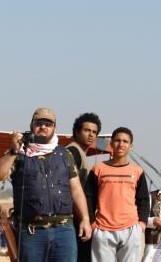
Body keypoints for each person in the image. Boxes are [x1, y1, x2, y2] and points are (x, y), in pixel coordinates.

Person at [0, 107, 92, 262]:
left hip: (63, 230)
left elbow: (77, 190)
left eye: (48, 124)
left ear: (54, 128)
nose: (43, 127)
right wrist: (13, 150)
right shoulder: (19, 154)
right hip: (31, 231)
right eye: (39, 123)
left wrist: (85, 218)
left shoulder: (65, 154)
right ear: (32, 125)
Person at [85, 126, 149, 262]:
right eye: (117, 140)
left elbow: (143, 200)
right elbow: (89, 198)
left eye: (125, 141)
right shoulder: (98, 169)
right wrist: (92, 223)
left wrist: (141, 224)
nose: (121, 144)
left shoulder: (137, 171)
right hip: (103, 229)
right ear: (111, 143)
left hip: (131, 229)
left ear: (130, 146)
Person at [66, 112, 101, 262]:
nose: (91, 135)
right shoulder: (73, 152)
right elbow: (71, 188)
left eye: (94, 132)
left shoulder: (81, 153)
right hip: (75, 220)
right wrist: (84, 219)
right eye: (87, 130)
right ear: (76, 132)